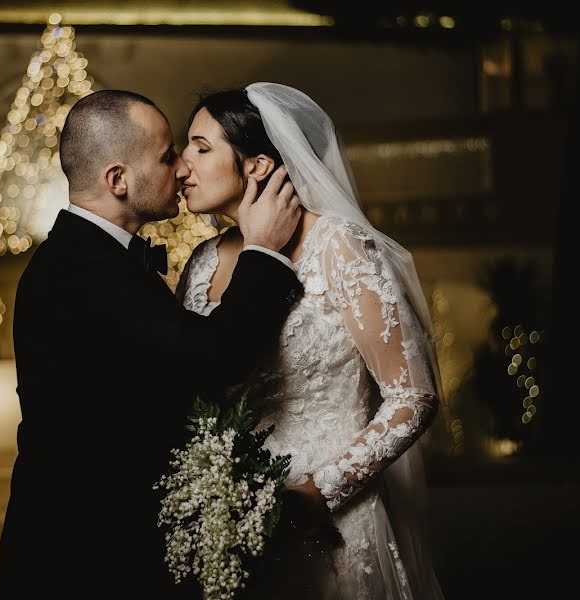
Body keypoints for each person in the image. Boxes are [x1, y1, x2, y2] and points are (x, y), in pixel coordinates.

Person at [0, 89, 304, 598]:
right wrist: (264, 250)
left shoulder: (93, 259)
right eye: (166, 156)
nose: (182, 167)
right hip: (82, 559)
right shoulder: (84, 270)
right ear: (118, 179)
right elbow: (216, 357)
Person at [177, 83, 444, 598]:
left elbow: (414, 396)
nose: (182, 164)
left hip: (333, 515)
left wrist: (320, 491)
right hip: (233, 524)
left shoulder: (338, 245)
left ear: (256, 165)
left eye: (201, 148)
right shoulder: (201, 262)